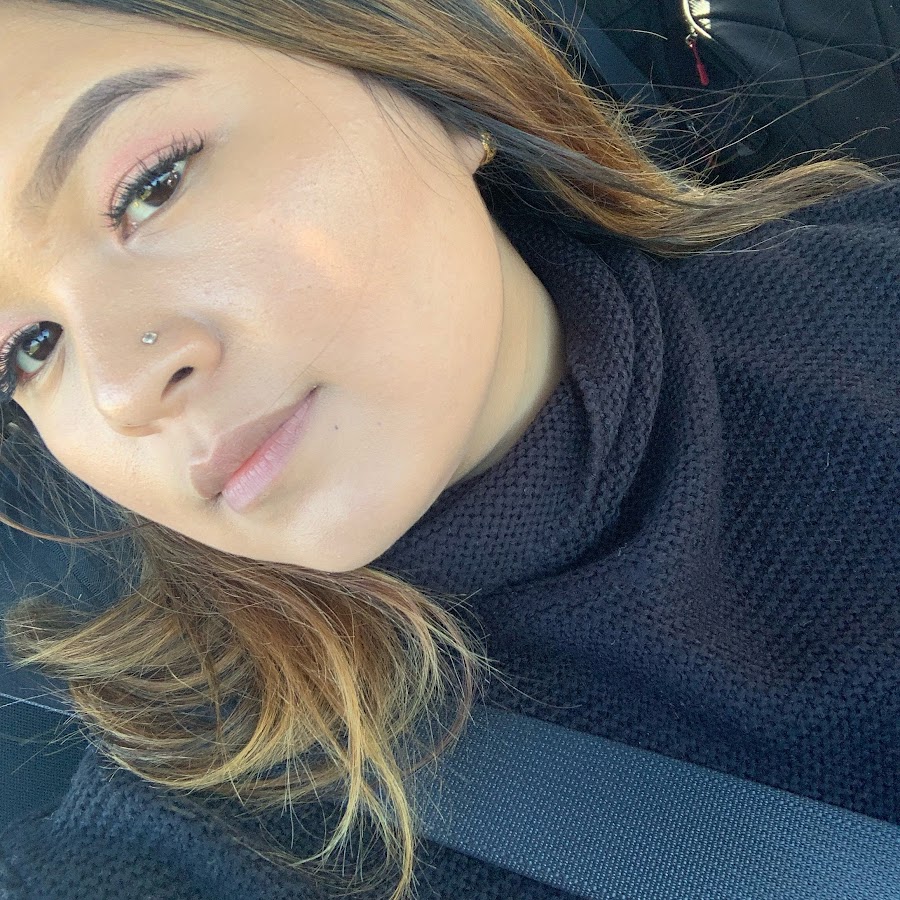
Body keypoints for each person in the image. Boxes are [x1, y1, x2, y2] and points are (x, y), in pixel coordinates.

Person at [0, 1, 897, 898]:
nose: (120, 391)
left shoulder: (868, 268)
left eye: (153, 186)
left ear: (433, 79)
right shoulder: (183, 833)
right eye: (28, 350)